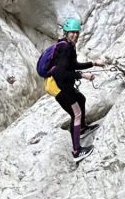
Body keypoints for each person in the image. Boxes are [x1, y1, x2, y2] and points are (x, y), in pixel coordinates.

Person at [45, 17, 106, 162]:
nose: (75, 35)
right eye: (72, 32)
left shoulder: (68, 46)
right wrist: (83, 75)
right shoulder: (65, 48)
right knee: (76, 114)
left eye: (77, 32)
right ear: (66, 32)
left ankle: (82, 129)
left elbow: (73, 65)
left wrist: (94, 63)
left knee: (81, 99)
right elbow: (60, 73)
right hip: (61, 88)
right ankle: (77, 151)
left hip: (64, 85)